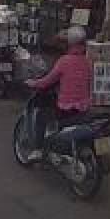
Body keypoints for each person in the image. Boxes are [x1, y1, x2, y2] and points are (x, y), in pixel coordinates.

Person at [24, 26, 93, 159]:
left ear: (68, 44)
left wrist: (33, 83)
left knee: (41, 116)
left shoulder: (64, 61)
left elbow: (46, 82)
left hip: (66, 109)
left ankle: (38, 149)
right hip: (84, 108)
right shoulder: (88, 62)